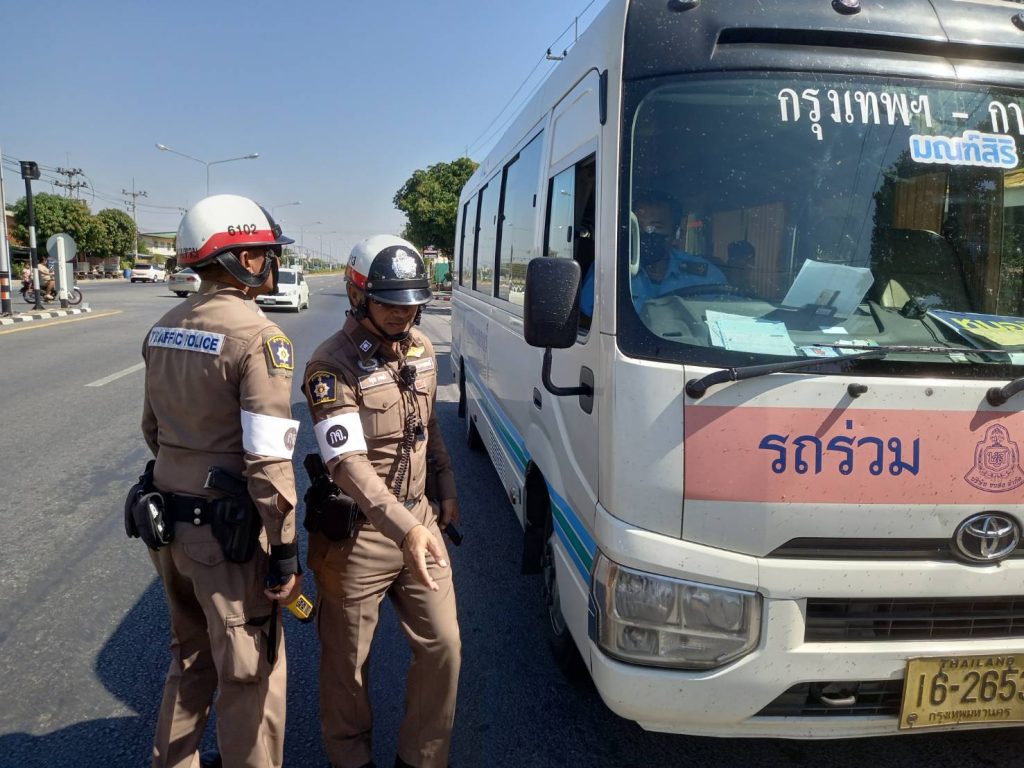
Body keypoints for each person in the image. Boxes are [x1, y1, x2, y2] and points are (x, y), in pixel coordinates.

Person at [136, 194, 303, 768]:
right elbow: (269, 463)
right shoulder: (259, 337)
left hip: (167, 529)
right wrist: (284, 551)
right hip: (226, 542)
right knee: (249, 675)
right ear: (241, 258)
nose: (271, 263)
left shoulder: (163, 329)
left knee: (188, 661)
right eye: (265, 253)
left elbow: (152, 431)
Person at [302, 235, 461, 768]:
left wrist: (445, 487)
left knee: (443, 646)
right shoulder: (330, 367)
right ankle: (351, 759)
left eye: (411, 302)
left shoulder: (422, 350)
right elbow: (347, 464)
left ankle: (422, 758)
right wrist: (405, 527)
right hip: (358, 536)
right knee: (348, 665)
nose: (402, 313)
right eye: (389, 302)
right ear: (358, 296)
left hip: (421, 520)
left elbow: (428, 427)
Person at [631, 192, 725, 309]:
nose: (646, 233)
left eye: (655, 227)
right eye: (638, 226)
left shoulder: (705, 277)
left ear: (675, 233)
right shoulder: (617, 272)